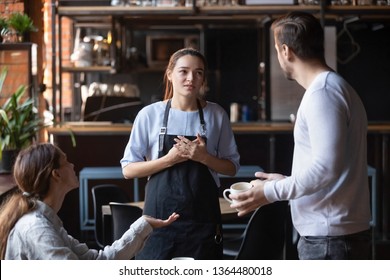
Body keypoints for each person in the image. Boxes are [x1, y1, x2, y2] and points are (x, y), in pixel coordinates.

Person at [230, 11, 372, 260]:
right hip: (334, 236)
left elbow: (326, 169)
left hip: (330, 240)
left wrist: (269, 192)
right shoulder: (333, 87)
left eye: (276, 49)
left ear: (286, 51)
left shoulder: (323, 93)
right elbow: (330, 167)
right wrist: (284, 180)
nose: (278, 56)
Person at [121, 47, 240, 260]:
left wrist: (203, 157)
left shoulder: (216, 115)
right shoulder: (149, 115)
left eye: (198, 72)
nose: (191, 78)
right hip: (158, 221)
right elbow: (128, 170)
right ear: (170, 74)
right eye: (183, 71)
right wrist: (168, 160)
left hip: (203, 221)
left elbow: (232, 167)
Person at [0, 143, 179, 260]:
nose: (72, 165)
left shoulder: (47, 222)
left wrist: (143, 224)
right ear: (56, 174)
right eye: (66, 161)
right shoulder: (37, 229)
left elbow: (98, 261)